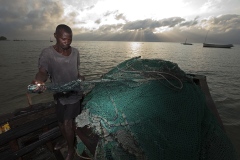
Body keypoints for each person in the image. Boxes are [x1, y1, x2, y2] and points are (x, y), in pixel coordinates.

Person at [31, 24, 85, 160]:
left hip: (74, 93)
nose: (67, 42)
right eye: (63, 39)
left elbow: (75, 71)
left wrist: (80, 77)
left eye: (70, 39)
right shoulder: (47, 53)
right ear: (55, 36)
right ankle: (66, 140)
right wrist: (39, 81)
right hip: (59, 95)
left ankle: (71, 150)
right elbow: (42, 72)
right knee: (61, 122)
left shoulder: (76, 52)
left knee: (67, 122)